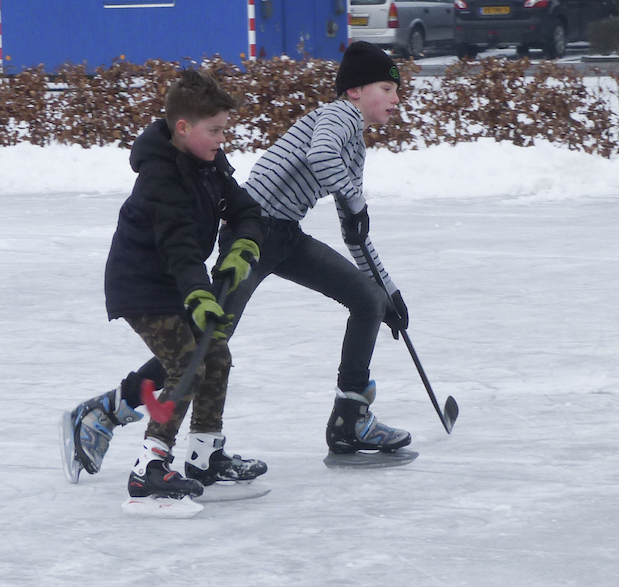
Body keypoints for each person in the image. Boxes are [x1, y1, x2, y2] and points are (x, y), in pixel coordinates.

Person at [61, 42, 411, 483]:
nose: (396, 98)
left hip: (283, 235)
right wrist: (355, 201)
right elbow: (322, 157)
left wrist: (388, 289)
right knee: (206, 341)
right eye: (387, 88)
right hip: (252, 236)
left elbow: (354, 230)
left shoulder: (354, 146)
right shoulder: (339, 116)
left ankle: (350, 417)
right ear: (356, 91)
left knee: (368, 298)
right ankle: (109, 410)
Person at [67, 67, 267, 502]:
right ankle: (149, 467)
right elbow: (178, 243)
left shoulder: (209, 164)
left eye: (224, 130)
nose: (222, 139)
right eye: (214, 130)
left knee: (216, 356)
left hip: (175, 280)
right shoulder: (160, 176)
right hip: (141, 285)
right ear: (183, 127)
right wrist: (198, 293)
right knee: (187, 367)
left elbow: (247, 210)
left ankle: (205, 455)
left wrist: (242, 247)